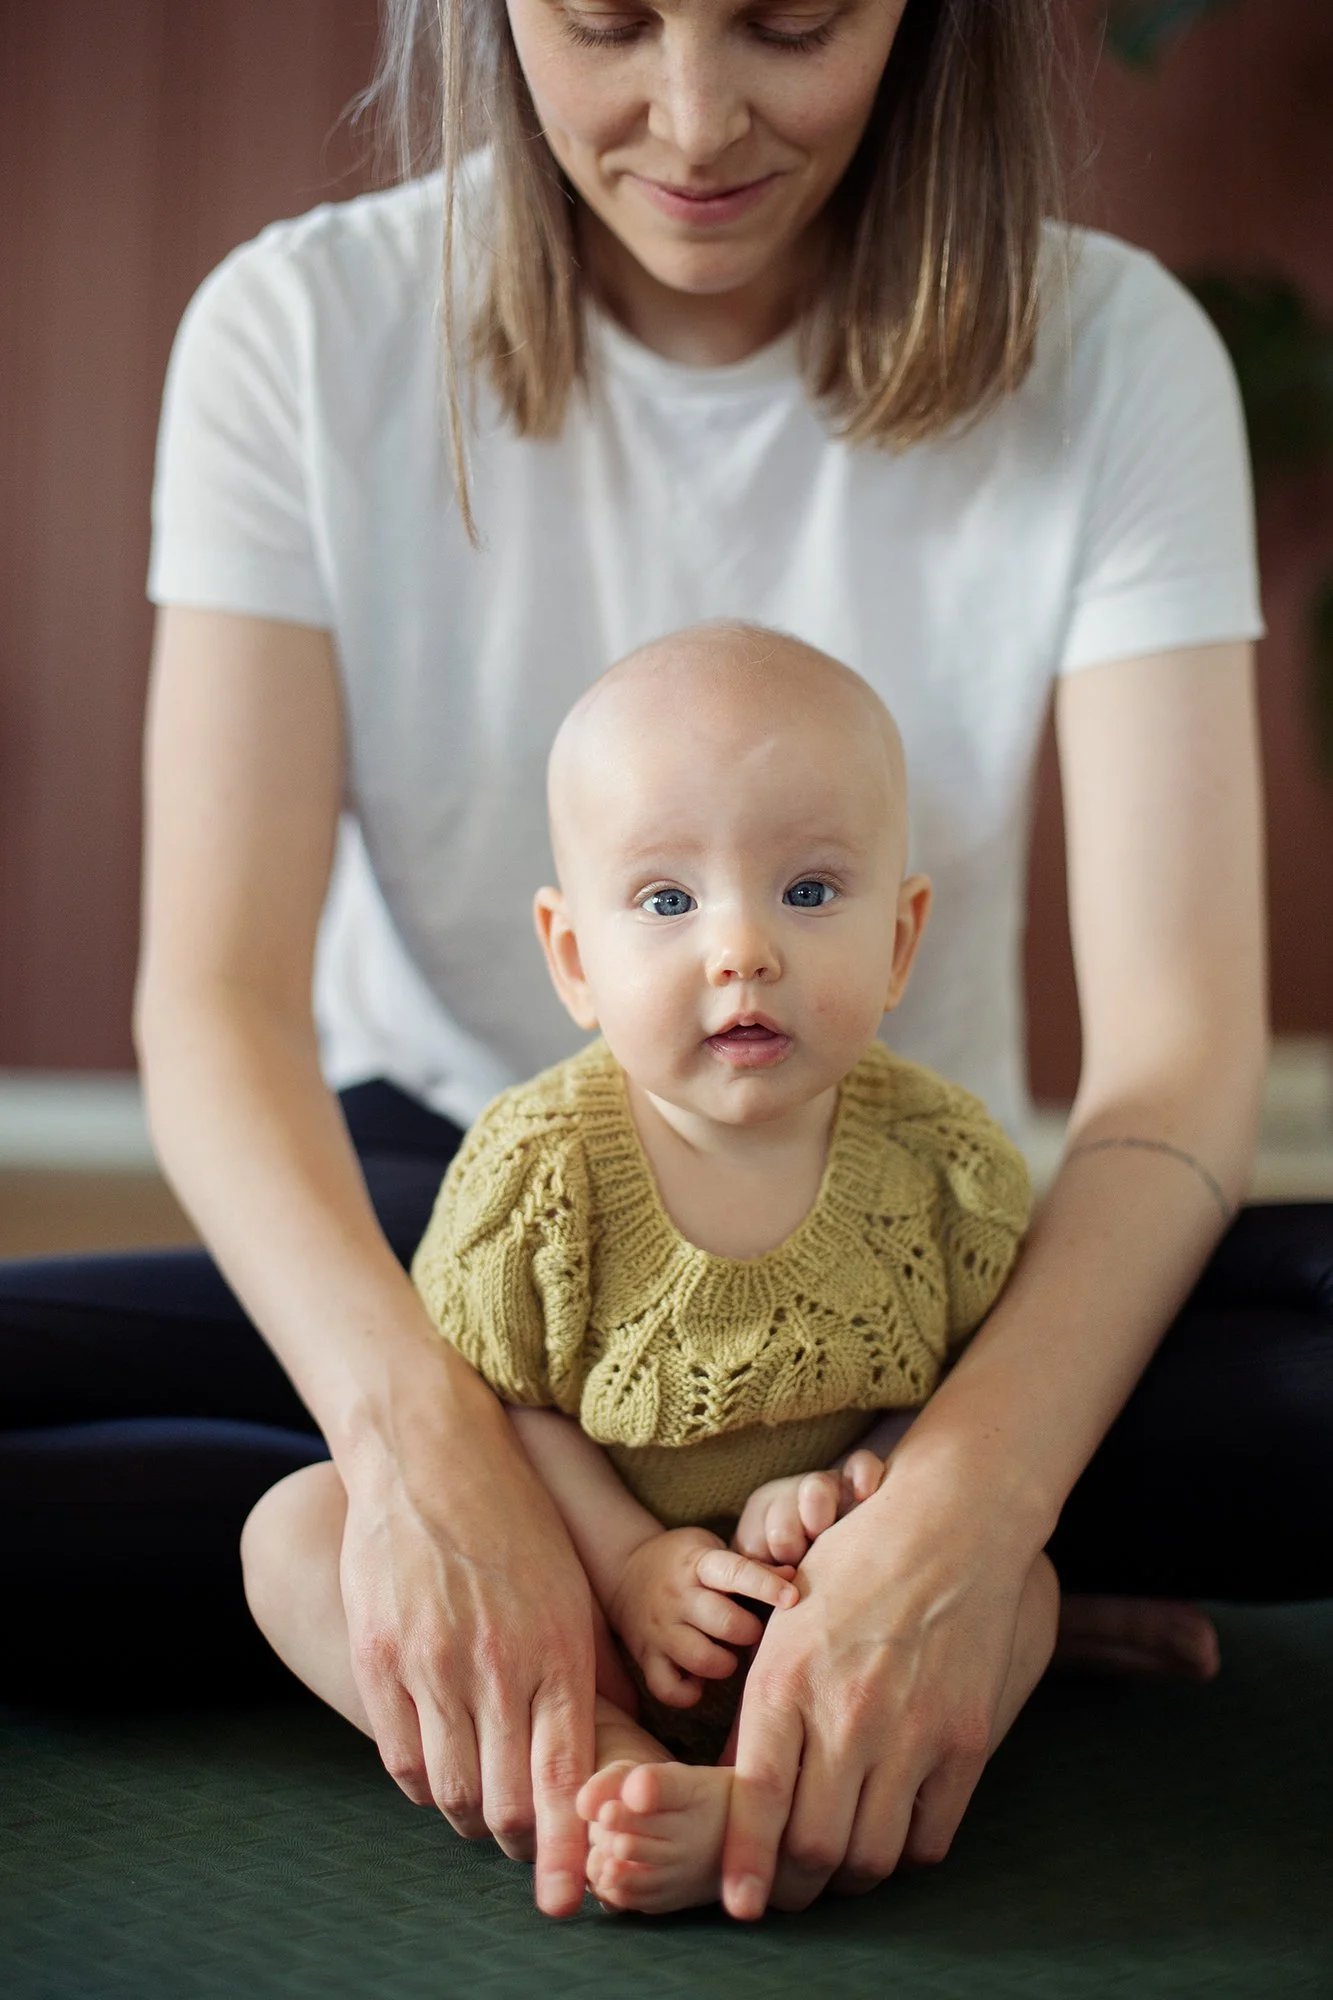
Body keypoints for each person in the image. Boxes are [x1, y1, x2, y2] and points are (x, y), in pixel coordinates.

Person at [3, 0, 1330, 1926]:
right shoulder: (295, 331)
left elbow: (1182, 1052)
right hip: (452, 1232)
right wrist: (433, 1455)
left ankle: (812, 1597)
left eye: (790, 23)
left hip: (899, 1310)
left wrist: (973, 1506)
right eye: (607, 22)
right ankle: (671, 1619)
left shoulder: (1120, 350)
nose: (695, 120)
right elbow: (213, 1004)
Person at [241, 622, 1054, 1916]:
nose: (743, 950)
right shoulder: (537, 1174)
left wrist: (857, 1488)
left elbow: (970, 1403)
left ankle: (777, 1787)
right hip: (573, 1609)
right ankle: (600, 1762)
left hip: (832, 1623)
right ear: (574, 958)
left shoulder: (945, 1170)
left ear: (902, 942)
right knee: (293, 1531)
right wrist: (626, 1566)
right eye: (669, 902)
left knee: (1029, 1591)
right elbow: (501, 1416)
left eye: (809, 891)